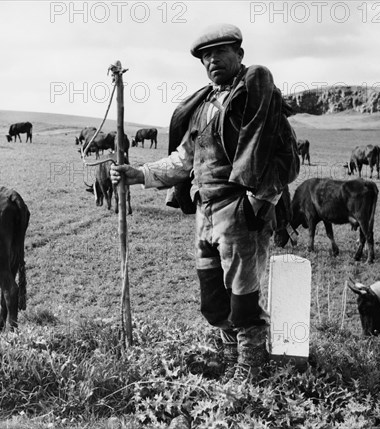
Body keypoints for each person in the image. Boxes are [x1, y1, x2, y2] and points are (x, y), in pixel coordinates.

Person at [111, 23, 299, 377]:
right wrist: (141, 173)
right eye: (205, 56)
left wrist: (257, 203)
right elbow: (184, 160)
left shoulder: (257, 98)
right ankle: (231, 356)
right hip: (205, 211)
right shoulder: (201, 106)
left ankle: (251, 366)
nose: (212, 60)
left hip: (240, 211)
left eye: (220, 52)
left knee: (243, 296)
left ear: (239, 54)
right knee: (213, 296)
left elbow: (285, 159)